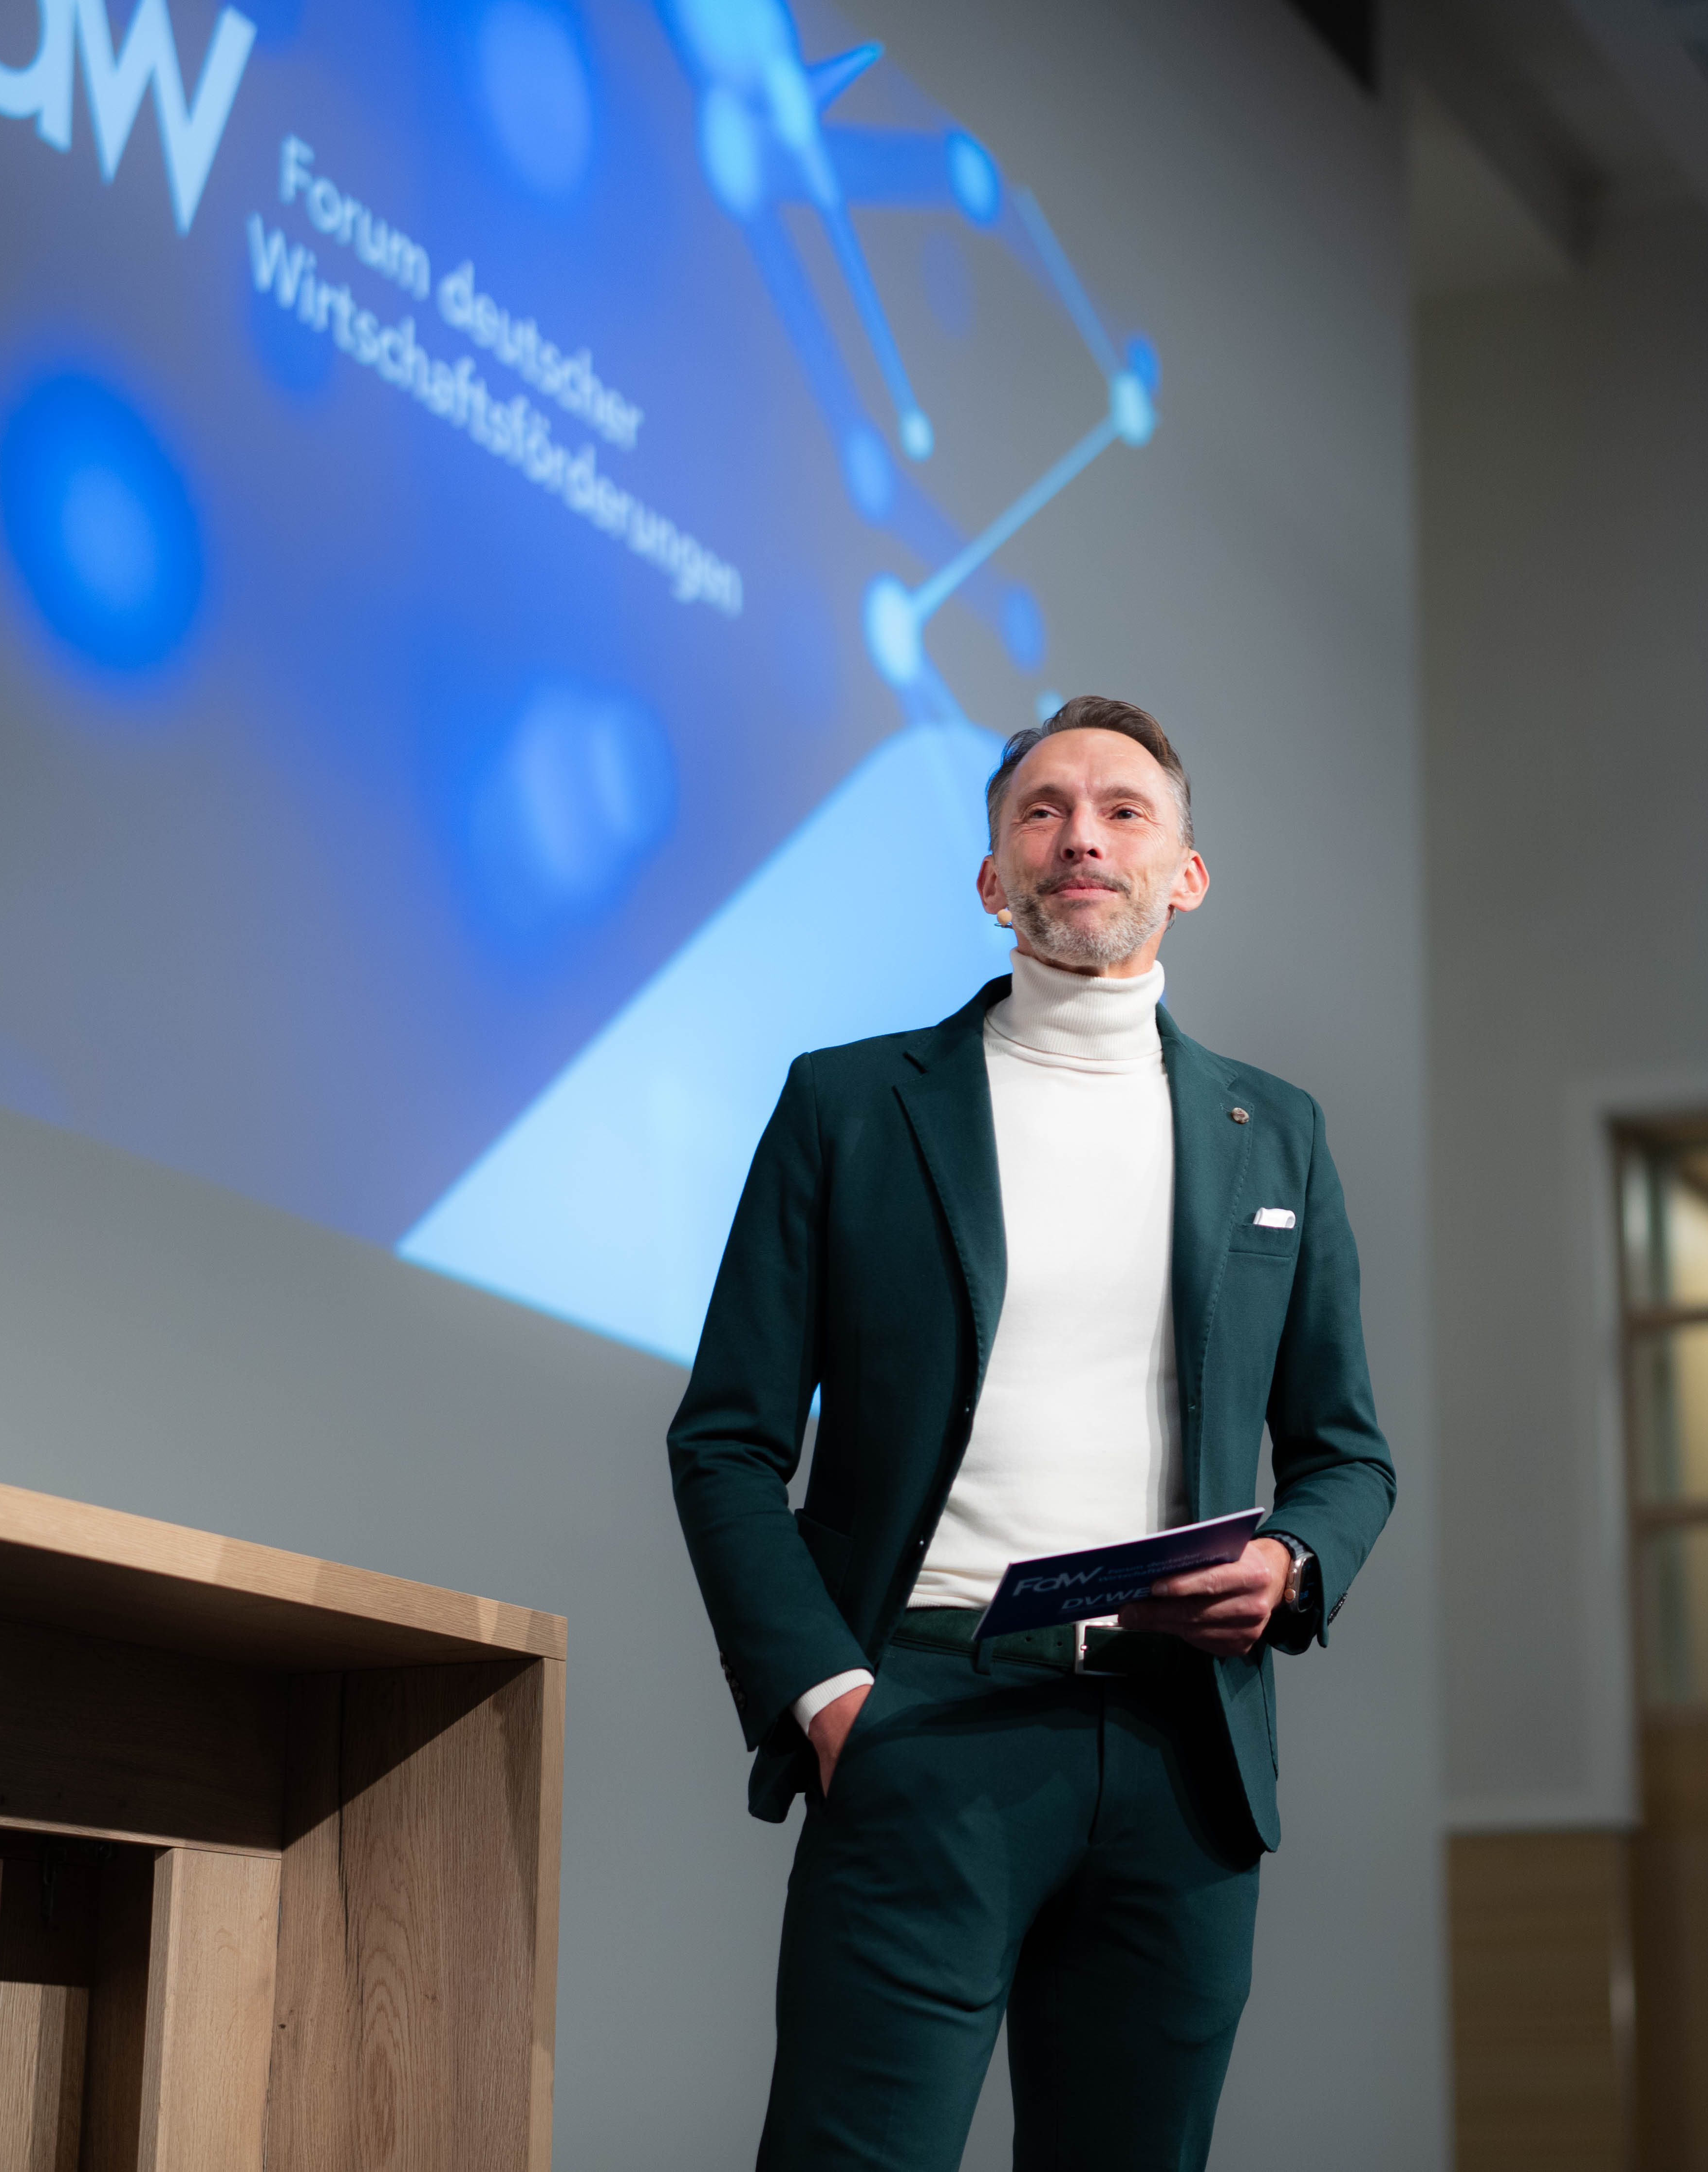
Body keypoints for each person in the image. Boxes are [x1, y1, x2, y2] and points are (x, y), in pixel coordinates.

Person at [669, 694, 1396, 2171]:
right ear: (993, 876)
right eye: (1042, 811)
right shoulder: (849, 1104)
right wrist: (828, 1696)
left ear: (1186, 873)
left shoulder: (1281, 1132)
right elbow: (726, 1440)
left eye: (1125, 810)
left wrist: (1292, 1566)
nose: (1082, 836)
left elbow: (1344, 1455)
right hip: (925, 1716)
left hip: (1183, 1746)